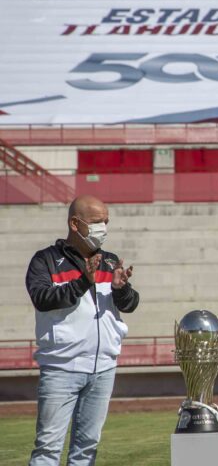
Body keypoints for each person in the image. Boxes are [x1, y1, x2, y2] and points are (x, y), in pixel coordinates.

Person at [26, 195, 140, 465]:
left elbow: (131, 304)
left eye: (107, 221)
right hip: (61, 368)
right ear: (75, 224)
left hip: (103, 368)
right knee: (47, 448)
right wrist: (82, 283)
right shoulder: (45, 261)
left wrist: (121, 289)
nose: (104, 227)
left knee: (87, 447)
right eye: (97, 222)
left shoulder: (109, 261)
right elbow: (42, 299)